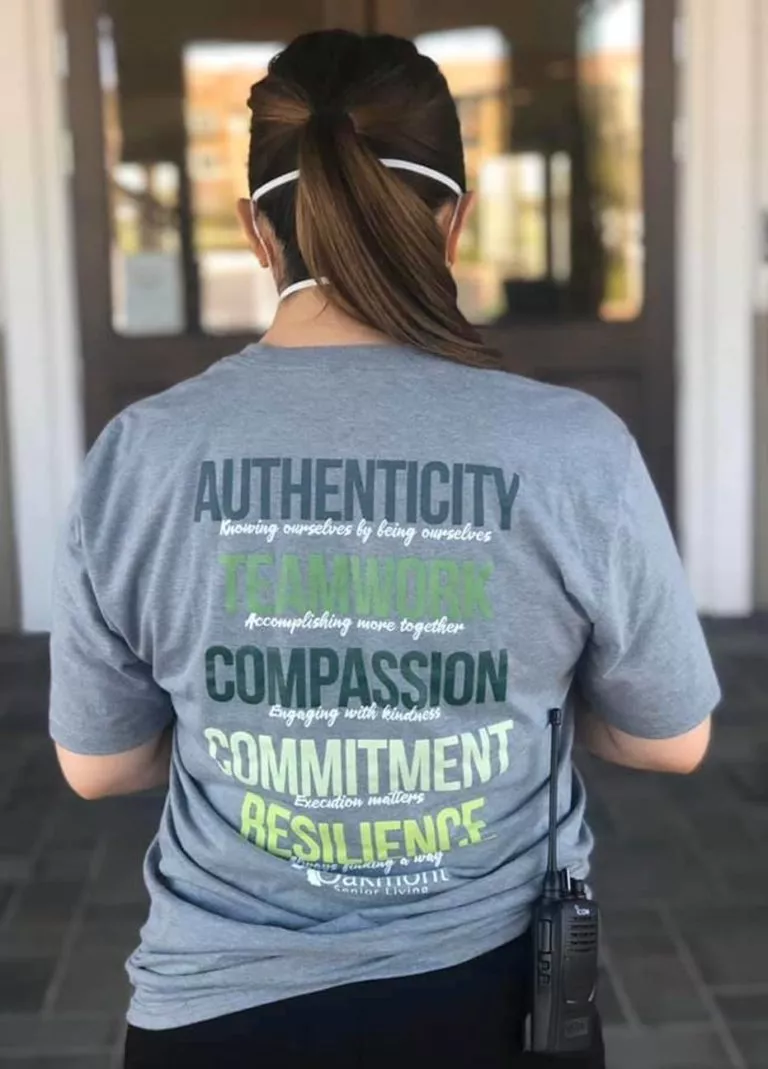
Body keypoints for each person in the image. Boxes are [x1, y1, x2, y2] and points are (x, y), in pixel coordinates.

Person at [49, 29, 719, 1069]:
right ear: (455, 219)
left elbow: (99, 768)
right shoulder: (571, 446)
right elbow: (672, 739)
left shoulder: (140, 452)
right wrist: (520, 693)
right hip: (497, 1006)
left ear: (256, 235)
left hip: (216, 1013)